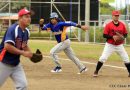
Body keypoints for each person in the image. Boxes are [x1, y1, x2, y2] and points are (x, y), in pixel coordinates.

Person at [0, 8, 33, 90]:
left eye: (29, 16)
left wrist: (31, 55)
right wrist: (23, 53)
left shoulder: (26, 32)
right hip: (3, 62)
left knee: (23, 85)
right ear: (20, 18)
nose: (29, 18)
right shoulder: (13, 29)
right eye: (26, 16)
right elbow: (7, 46)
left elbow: (24, 45)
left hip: (16, 64)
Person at [93, 10, 130, 77]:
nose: (116, 17)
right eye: (115, 15)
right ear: (112, 16)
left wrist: (121, 37)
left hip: (119, 45)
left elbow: (125, 34)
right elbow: (104, 35)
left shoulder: (122, 25)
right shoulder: (108, 25)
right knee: (103, 58)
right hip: (110, 45)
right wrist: (112, 36)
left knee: (126, 58)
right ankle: (96, 71)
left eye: (117, 15)